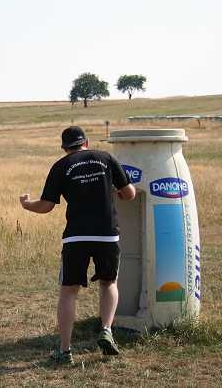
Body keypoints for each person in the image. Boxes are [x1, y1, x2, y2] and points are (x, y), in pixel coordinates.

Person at [19, 126, 136, 364]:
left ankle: (65, 351)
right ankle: (106, 330)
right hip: (107, 235)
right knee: (108, 282)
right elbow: (130, 194)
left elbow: (46, 206)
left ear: (64, 148)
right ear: (87, 142)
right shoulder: (106, 158)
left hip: (76, 237)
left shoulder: (61, 166)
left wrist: (26, 204)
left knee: (68, 291)